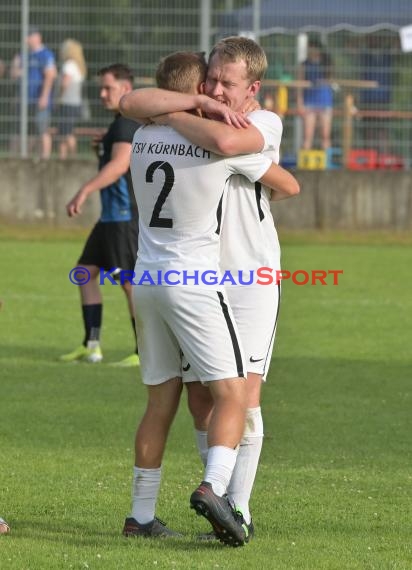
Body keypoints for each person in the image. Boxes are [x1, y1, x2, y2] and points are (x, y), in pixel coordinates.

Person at [119, 35, 300, 540]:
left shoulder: (261, 123)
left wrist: (170, 115)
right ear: (201, 81)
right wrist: (189, 111)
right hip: (202, 279)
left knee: (246, 393)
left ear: (253, 88)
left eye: (228, 82)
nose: (219, 90)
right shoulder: (202, 123)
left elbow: (281, 181)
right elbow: (132, 103)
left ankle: (235, 507)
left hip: (251, 273)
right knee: (204, 399)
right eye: (212, 79)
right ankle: (215, 500)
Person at [60, 64, 140, 367]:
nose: (102, 93)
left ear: (126, 89)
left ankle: (143, 350)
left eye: (108, 87)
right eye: (101, 88)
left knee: (130, 283)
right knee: (84, 274)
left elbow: (121, 164)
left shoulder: (125, 124)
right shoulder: (118, 125)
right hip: (109, 218)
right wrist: (101, 148)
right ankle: (91, 345)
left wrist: (84, 190)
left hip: (123, 218)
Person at [10, 26, 57, 159]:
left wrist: (44, 96)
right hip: (24, 100)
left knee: (42, 130)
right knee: (23, 132)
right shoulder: (23, 54)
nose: (26, 39)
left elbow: (50, 76)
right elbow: (13, 75)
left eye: (29, 36)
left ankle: (45, 160)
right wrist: (16, 67)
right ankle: (21, 160)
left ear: (37, 37)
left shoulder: (45, 54)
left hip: (40, 100)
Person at [297, 37, 334, 150]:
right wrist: (300, 102)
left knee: (325, 135)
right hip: (309, 102)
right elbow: (300, 84)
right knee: (307, 136)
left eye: (311, 48)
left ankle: (326, 164)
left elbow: (331, 80)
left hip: (325, 101)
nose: (309, 51)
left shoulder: (327, 63)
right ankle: (304, 165)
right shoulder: (304, 64)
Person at [55, 38, 87, 159]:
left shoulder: (69, 65)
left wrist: (59, 97)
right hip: (75, 103)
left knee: (66, 134)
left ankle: (72, 158)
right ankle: (64, 158)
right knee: (66, 133)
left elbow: (64, 83)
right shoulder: (79, 66)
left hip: (67, 102)